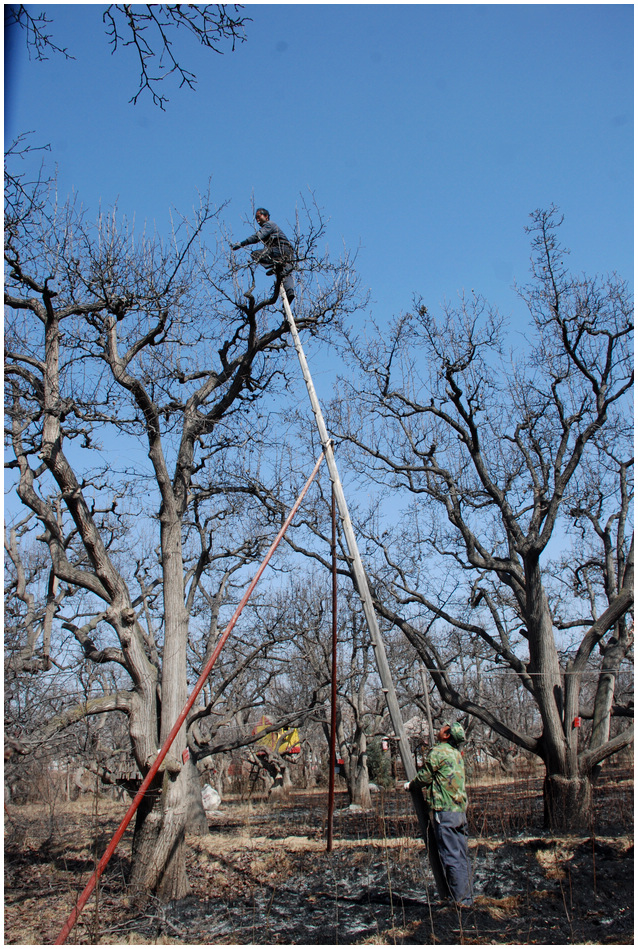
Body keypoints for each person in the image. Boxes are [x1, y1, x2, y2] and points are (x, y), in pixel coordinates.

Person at [405, 722, 474, 907]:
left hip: (445, 813)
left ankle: (460, 903)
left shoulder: (439, 752)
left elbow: (425, 777)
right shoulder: (456, 755)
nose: (441, 727)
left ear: (446, 736)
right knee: (462, 855)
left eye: (444, 728)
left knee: (451, 857)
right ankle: (467, 897)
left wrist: (411, 785)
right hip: (460, 812)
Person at [231, 208, 295, 303]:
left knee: (256, 254)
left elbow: (257, 237)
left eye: (259, 217)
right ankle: (289, 293)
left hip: (281, 249)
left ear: (266, 216)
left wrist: (242, 243)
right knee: (285, 273)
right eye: (256, 218)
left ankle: (273, 266)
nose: (257, 220)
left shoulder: (269, 225)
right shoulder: (271, 226)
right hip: (288, 252)